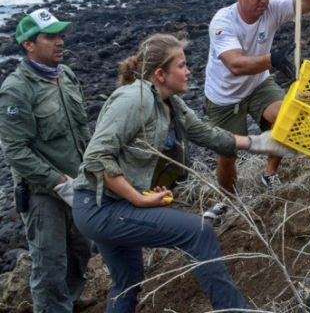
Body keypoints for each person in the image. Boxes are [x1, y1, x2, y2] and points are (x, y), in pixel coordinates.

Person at [70, 33, 294, 312]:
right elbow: (97, 157)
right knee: (197, 232)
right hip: (99, 207)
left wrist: (261, 143)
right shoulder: (132, 100)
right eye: (182, 65)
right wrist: (138, 200)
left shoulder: (171, 103)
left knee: (127, 281)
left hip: (111, 204)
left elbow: (204, 132)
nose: (189, 71)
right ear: (160, 74)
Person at [203, 0, 310, 215]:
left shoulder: (272, 10)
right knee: (227, 156)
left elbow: (308, 3)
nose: (264, 1)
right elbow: (235, 64)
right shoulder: (223, 21)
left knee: (286, 118)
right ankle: (229, 201)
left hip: (258, 85)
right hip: (224, 97)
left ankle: (269, 173)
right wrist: (273, 59)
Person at [0, 9, 95, 313]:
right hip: (44, 193)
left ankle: (70, 298)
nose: (60, 41)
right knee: (49, 261)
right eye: (51, 36)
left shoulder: (65, 75)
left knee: (80, 249)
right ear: (28, 44)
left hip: (78, 182)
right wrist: (57, 182)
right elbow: (15, 150)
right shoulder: (16, 90)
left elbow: (81, 128)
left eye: (61, 35)